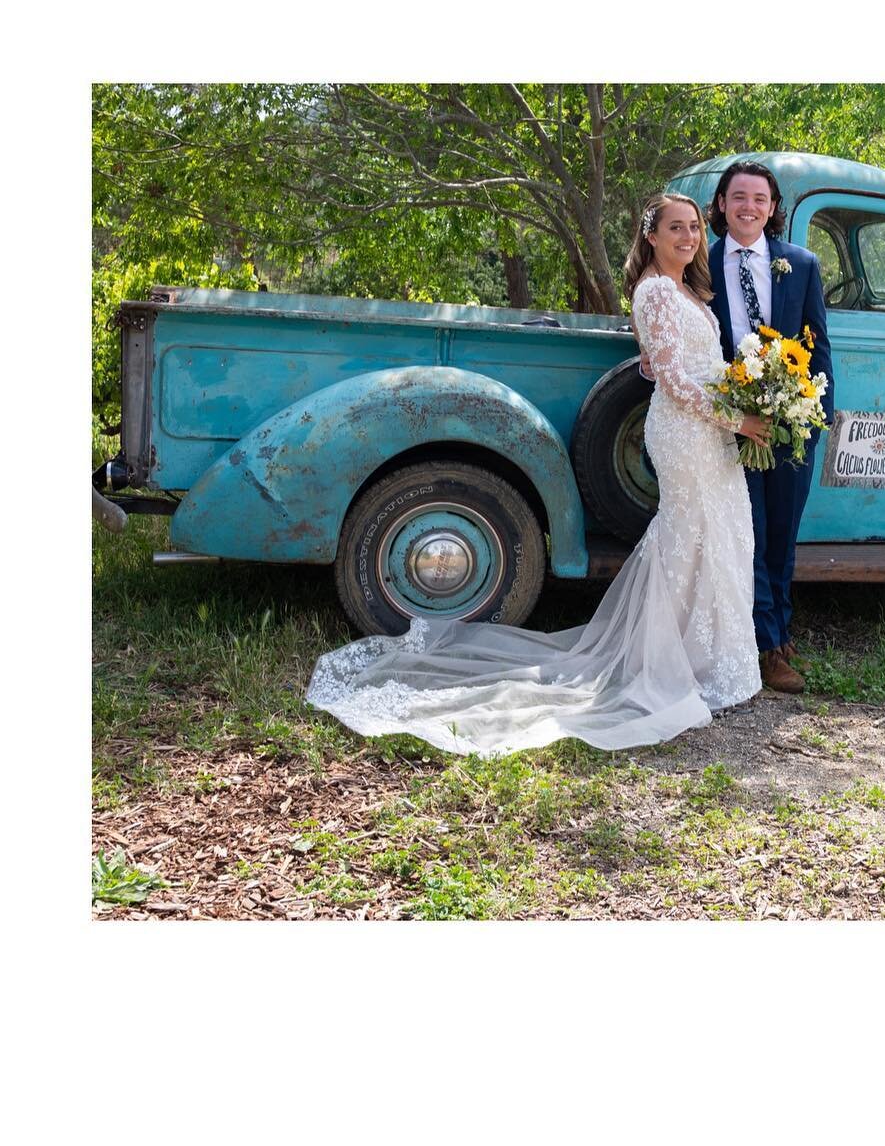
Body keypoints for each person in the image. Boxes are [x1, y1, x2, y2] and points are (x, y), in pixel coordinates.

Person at [305, 194, 771, 758]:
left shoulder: (689, 292)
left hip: (710, 433)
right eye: (676, 227)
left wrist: (744, 395)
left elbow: (661, 363)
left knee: (713, 538)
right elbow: (670, 381)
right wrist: (738, 417)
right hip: (687, 431)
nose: (688, 237)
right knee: (686, 538)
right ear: (651, 236)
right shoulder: (654, 290)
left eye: (694, 227)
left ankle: (707, 660)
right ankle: (662, 664)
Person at [704, 159, 834, 694]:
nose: (748, 207)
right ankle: (765, 647)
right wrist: (732, 412)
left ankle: (781, 627)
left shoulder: (800, 264)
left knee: (782, 533)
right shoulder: (699, 266)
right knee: (748, 535)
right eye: (738, 197)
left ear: (773, 207)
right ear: (721, 205)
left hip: (789, 424)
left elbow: (819, 345)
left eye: (759, 198)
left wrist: (812, 419)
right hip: (728, 424)